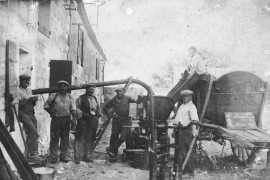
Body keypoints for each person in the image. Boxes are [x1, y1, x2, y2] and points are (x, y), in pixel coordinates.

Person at [103, 88, 142, 160]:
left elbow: (137, 101)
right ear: (116, 93)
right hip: (117, 120)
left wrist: (139, 99)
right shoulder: (114, 99)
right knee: (114, 136)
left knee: (124, 136)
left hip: (126, 119)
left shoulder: (128, 98)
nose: (120, 93)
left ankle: (113, 150)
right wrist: (111, 115)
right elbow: (105, 108)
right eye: (119, 92)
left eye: (121, 91)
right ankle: (113, 155)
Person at [44, 80, 76, 163]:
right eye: (61, 86)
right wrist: (52, 113)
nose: (63, 88)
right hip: (56, 119)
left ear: (67, 87)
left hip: (66, 119)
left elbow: (73, 108)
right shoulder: (54, 95)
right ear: (58, 87)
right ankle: (54, 157)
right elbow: (46, 105)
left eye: (64, 86)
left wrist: (74, 118)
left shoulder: (70, 96)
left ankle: (64, 156)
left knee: (65, 138)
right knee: (55, 138)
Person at [12, 73, 39, 158]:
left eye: (28, 80)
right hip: (23, 114)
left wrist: (33, 101)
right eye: (25, 80)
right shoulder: (18, 91)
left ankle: (34, 152)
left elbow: (31, 104)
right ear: (20, 81)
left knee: (35, 133)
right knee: (34, 132)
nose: (27, 82)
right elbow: (17, 103)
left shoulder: (28, 90)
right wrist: (29, 100)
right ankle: (29, 153)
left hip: (31, 113)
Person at [173, 90, 199, 178]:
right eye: (183, 96)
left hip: (187, 130)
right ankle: (182, 171)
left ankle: (190, 172)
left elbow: (194, 120)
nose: (185, 98)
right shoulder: (181, 106)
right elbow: (177, 118)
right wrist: (174, 130)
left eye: (187, 96)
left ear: (190, 96)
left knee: (189, 152)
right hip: (179, 130)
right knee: (181, 152)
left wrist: (194, 130)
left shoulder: (192, 107)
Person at [74, 84, 102, 164]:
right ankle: (77, 157)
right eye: (89, 89)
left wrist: (97, 116)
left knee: (89, 138)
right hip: (83, 120)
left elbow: (98, 109)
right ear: (86, 89)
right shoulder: (81, 98)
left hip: (92, 121)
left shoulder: (95, 99)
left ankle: (87, 156)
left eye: (92, 89)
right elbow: (76, 107)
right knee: (80, 137)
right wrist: (83, 114)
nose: (91, 91)